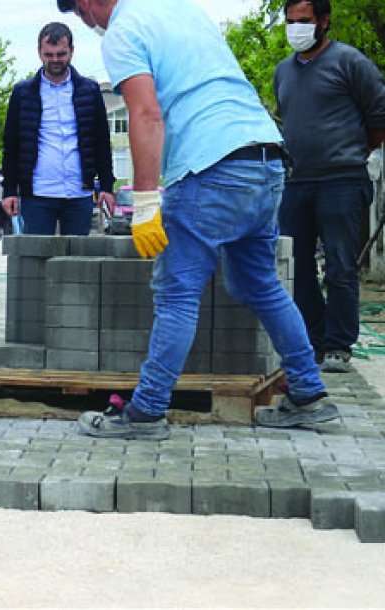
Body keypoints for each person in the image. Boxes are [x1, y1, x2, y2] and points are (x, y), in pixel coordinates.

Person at [56, 0, 338, 438]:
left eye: (81, 12)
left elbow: (146, 113)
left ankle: (146, 412)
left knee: (176, 293)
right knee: (259, 282)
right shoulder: (178, 8)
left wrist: (147, 201)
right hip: (264, 157)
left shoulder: (123, 32)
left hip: (212, 167)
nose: (87, 22)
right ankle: (309, 393)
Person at [275, 0, 385, 373]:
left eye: (303, 21)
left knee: (340, 265)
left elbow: (378, 116)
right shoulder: (283, 72)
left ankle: (339, 345)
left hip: (342, 179)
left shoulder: (350, 62)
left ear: (323, 21)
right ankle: (315, 338)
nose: (296, 29)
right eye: (290, 22)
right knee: (297, 265)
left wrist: (354, 151)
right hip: (297, 180)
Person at [1, 22, 116, 236]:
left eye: (61, 54)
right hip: (37, 192)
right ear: (39, 52)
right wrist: (9, 191)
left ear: (72, 51)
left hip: (78, 192)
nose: (55, 60)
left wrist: (107, 187)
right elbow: (11, 146)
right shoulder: (22, 93)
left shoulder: (90, 91)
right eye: (49, 54)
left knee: (77, 262)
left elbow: (101, 143)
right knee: (37, 260)